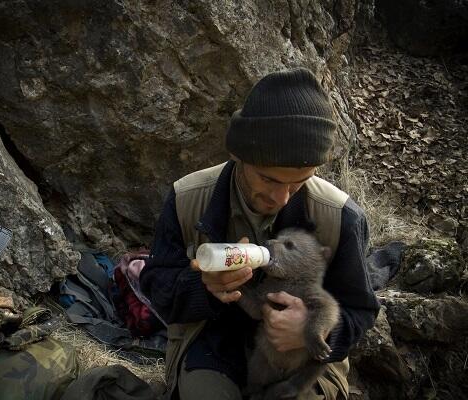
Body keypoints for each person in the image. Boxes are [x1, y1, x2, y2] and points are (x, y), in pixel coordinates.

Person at [139, 67, 380, 400]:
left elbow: (362, 312)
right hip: (211, 345)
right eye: (268, 179)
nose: (281, 198)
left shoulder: (341, 217)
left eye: (298, 181)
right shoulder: (187, 198)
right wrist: (205, 289)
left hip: (301, 366)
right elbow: (157, 289)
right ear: (238, 156)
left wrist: (312, 331)